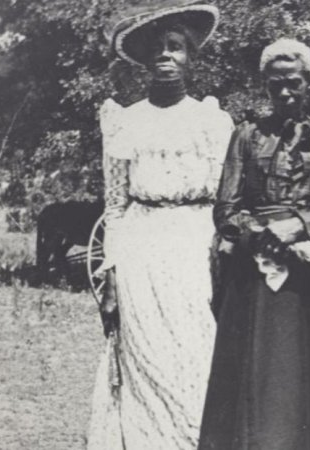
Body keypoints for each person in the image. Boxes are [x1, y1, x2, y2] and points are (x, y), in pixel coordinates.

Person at [87, 2, 234, 449]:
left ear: (191, 57)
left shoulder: (211, 120)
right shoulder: (126, 122)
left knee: (194, 352)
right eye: (158, 49)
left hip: (193, 249)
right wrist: (111, 275)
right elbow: (115, 206)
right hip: (141, 252)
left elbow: (224, 201)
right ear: (145, 61)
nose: (166, 57)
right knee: (146, 356)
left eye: (176, 48)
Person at [198, 38, 310, 450]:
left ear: (309, 84)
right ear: (264, 85)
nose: (285, 92)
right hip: (254, 276)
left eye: (294, 83)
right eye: (276, 84)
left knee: (305, 374)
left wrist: (300, 225)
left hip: (309, 278)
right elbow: (226, 209)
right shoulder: (246, 135)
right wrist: (263, 236)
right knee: (257, 372)